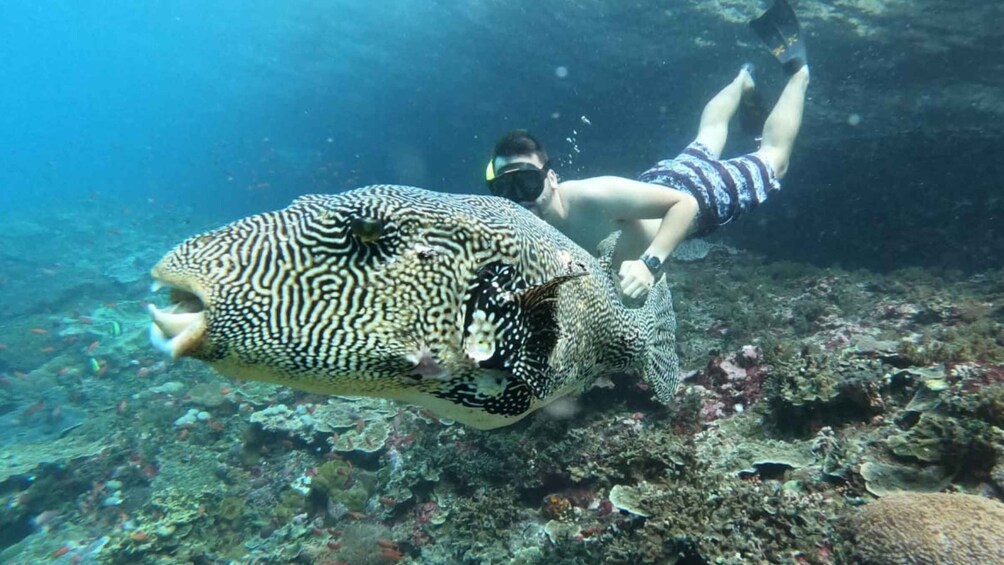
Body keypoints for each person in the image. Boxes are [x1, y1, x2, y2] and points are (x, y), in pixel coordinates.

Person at [485, 0, 809, 300]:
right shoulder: (520, 229)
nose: (520, 198)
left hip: (699, 197)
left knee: (774, 160)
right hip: (657, 184)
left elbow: (685, 204)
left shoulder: (590, 195)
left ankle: (799, 72)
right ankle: (742, 79)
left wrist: (649, 264)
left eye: (527, 183)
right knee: (707, 138)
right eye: (506, 189)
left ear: (551, 177)